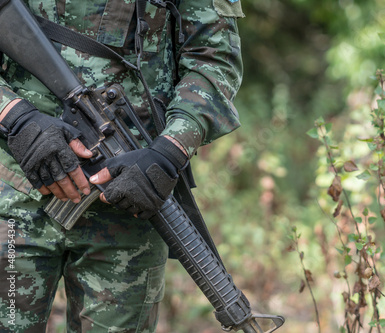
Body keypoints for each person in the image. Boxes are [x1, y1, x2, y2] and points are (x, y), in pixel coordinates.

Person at [0, 0, 244, 331]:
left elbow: (214, 59)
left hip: (133, 198)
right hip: (12, 189)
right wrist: (14, 116)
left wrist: (169, 151)